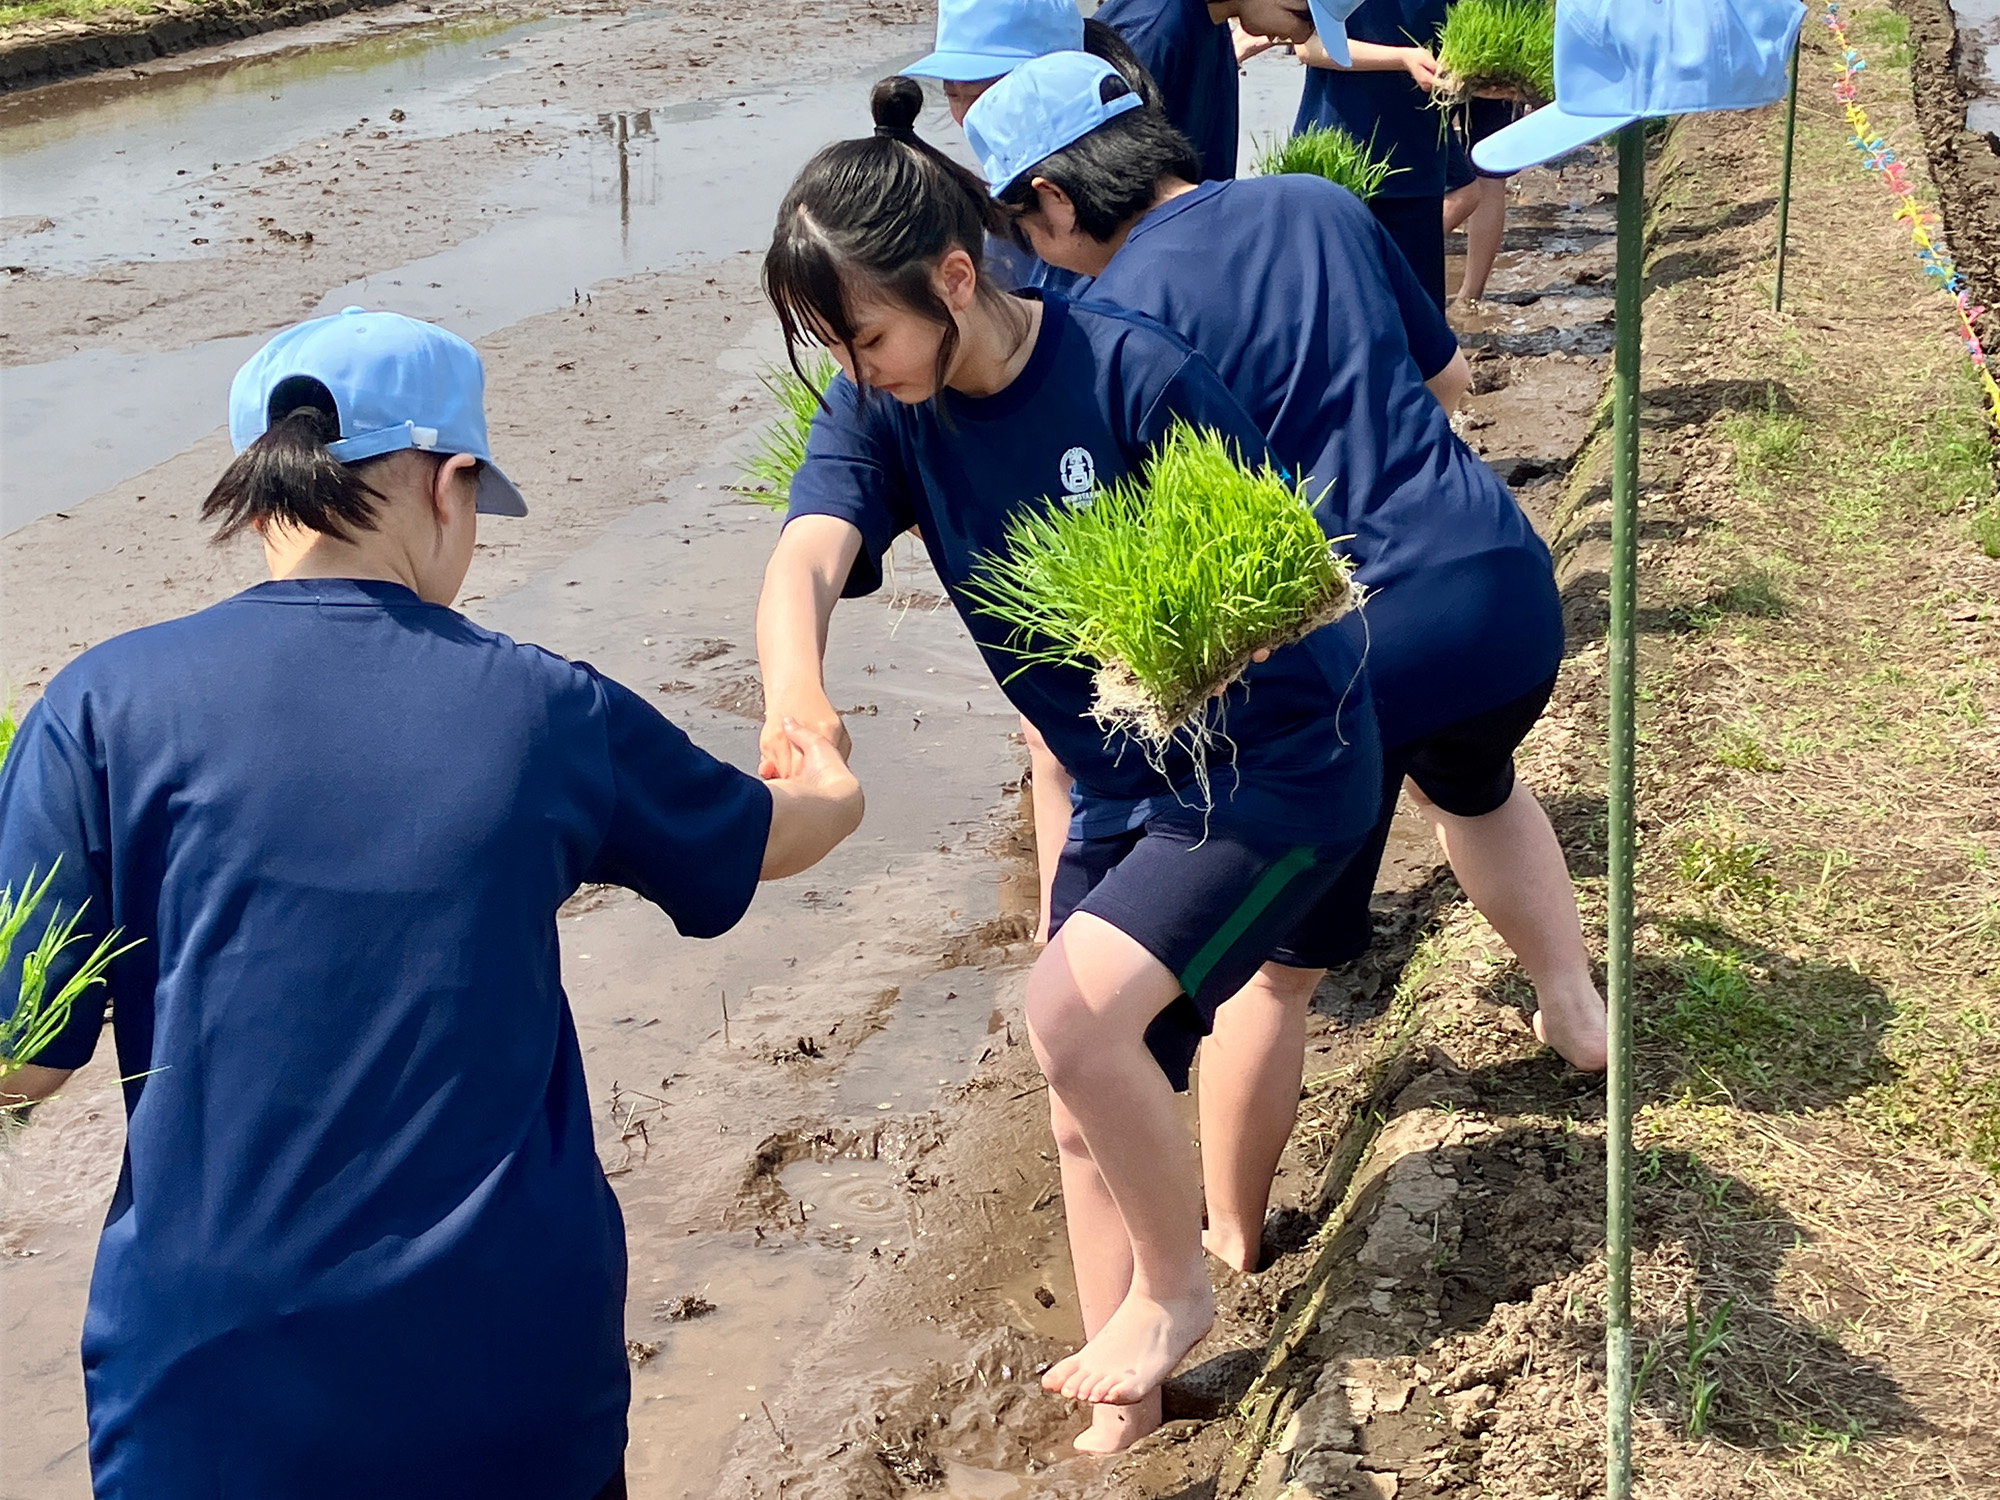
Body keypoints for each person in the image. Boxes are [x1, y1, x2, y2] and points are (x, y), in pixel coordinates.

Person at [0, 310, 865, 1499]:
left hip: (208, 1378)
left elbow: (22, 1064)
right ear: (448, 486)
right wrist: (829, 783)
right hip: (501, 1363)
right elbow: (757, 839)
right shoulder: (541, 709)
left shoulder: (97, 710)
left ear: (259, 497)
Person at [756, 73, 1383, 1453]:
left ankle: (1175, 1293)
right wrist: (800, 690)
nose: (855, 370)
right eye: (832, 346)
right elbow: (808, 547)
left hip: (1274, 766)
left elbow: (1290, 580)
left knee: (1073, 1019)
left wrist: (1176, 646)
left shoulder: (1131, 372)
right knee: (1084, 1096)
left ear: (956, 275)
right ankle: (1128, 1416)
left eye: (863, 336)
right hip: (1123, 791)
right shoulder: (888, 414)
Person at [966, 50, 1609, 1252]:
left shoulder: (1102, 331)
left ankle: (1228, 1231)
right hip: (1499, 588)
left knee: (1274, 969)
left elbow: (1145, 570)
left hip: (1350, 649)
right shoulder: (1317, 205)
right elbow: (1452, 380)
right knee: (1475, 781)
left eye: (1019, 221)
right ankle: (1573, 1007)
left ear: (1052, 201)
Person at [1294, 0, 1470, 308]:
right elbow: (1308, 46)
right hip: (1337, 153)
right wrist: (1401, 58)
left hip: (1417, 157)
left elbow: (1467, 39)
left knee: (1418, 316)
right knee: (1339, 310)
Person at [1443, 96, 1524, 303]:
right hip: (1497, 70)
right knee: (1489, 176)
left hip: (1431, 69)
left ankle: (1388, 263)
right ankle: (1470, 295)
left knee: (1420, 162)